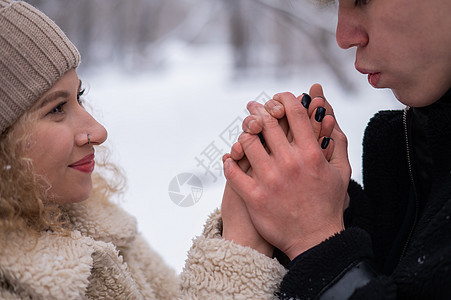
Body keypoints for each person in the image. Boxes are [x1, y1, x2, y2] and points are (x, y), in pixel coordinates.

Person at [0, 0, 291, 298]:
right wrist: (241, 244)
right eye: (57, 108)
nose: (98, 132)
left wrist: (243, 218)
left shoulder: (89, 220)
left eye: (80, 96)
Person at [222, 0, 451, 299]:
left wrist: (316, 242)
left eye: (362, 0)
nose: (342, 37)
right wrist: (334, 211)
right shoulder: (408, 153)